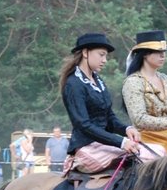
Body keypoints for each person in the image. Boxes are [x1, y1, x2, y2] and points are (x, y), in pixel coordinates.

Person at [60, 32, 148, 174]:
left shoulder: (98, 81)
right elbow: (83, 125)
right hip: (86, 148)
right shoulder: (73, 84)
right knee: (143, 158)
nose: (105, 60)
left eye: (105, 56)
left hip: (103, 145)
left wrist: (126, 130)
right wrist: (121, 142)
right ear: (85, 53)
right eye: (101, 55)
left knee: (156, 152)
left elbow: (109, 118)